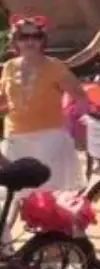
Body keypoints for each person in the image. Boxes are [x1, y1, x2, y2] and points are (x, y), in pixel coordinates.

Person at [0, 17, 88, 191]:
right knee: (17, 195)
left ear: (43, 40)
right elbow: (4, 99)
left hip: (49, 138)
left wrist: (76, 128)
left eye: (36, 36)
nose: (30, 41)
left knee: (47, 194)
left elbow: (80, 97)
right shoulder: (9, 66)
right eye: (24, 37)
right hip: (15, 137)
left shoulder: (55, 67)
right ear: (15, 40)